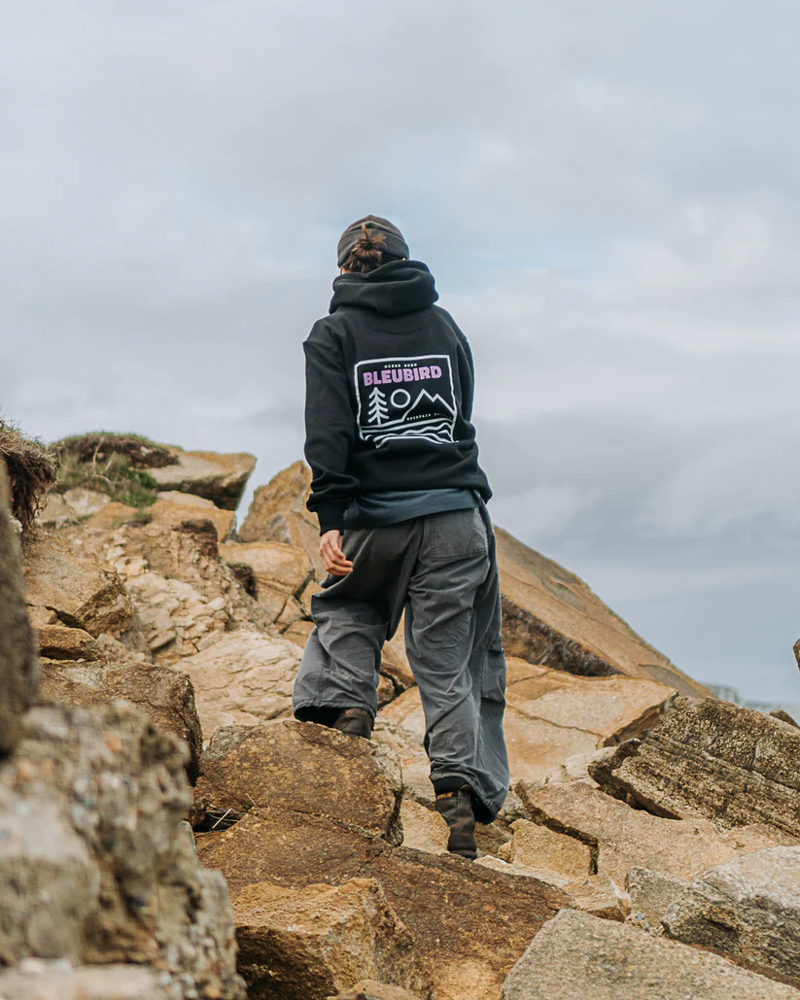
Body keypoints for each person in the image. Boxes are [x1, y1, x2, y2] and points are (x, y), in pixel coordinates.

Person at [292, 215, 509, 859]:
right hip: (455, 517)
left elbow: (327, 430)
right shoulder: (444, 327)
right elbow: (461, 412)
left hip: (373, 517)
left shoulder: (333, 332)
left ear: (343, 269)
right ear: (405, 262)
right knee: (450, 661)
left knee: (349, 609)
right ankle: (459, 798)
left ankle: (347, 715)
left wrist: (332, 518)